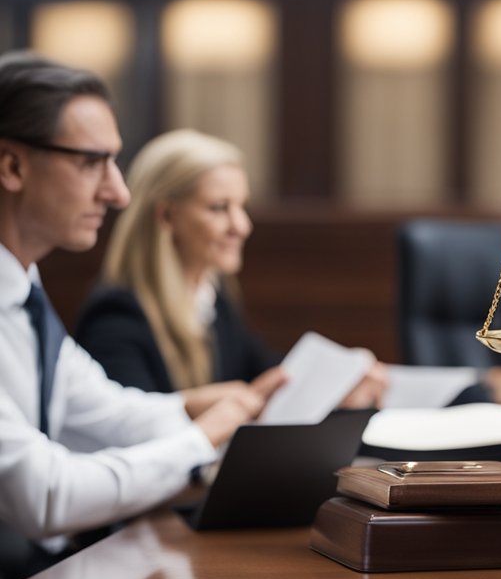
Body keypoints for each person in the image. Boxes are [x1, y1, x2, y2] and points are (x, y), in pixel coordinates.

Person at [0, 52, 282, 579]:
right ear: (12, 166)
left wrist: (189, 408)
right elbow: (45, 496)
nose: (118, 192)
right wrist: (200, 439)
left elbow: (107, 412)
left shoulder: (23, 290)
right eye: (90, 162)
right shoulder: (84, 303)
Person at [74, 129, 387, 408]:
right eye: (219, 208)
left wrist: (339, 379)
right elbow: (132, 429)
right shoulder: (116, 315)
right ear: (167, 217)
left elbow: (264, 369)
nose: (242, 226)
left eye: (241, 206)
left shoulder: (213, 296)